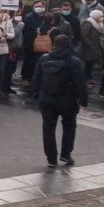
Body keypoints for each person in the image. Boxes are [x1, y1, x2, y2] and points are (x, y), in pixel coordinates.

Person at [32, 34, 87, 167]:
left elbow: (36, 77)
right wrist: (83, 100)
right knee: (69, 126)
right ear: (69, 44)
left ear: (54, 44)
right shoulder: (74, 61)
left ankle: (51, 158)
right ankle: (66, 154)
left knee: (48, 128)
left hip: (46, 98)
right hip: (67, 100)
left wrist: (36, 94)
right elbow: (79, 83)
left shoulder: (44, 58)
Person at [20, 1, 50, 98]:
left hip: (40, 43)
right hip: (30, 43)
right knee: (28, 62)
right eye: (37, 6)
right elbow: (27, 31)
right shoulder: (29, 17)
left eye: (40, 6)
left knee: (36, 62)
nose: (39, 7)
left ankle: (33, 79)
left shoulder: (44, 16)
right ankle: (26, 78)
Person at [79, 8, 104, 82]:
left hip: (94, 47)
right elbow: (83, 36)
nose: (102, 18)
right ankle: (86, 77)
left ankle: (88, 76)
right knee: (88, 63)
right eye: (100, 16)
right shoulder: (88, 24)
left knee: (91, 63)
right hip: (88, 48)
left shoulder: (98, 24)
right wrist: (90, 44)